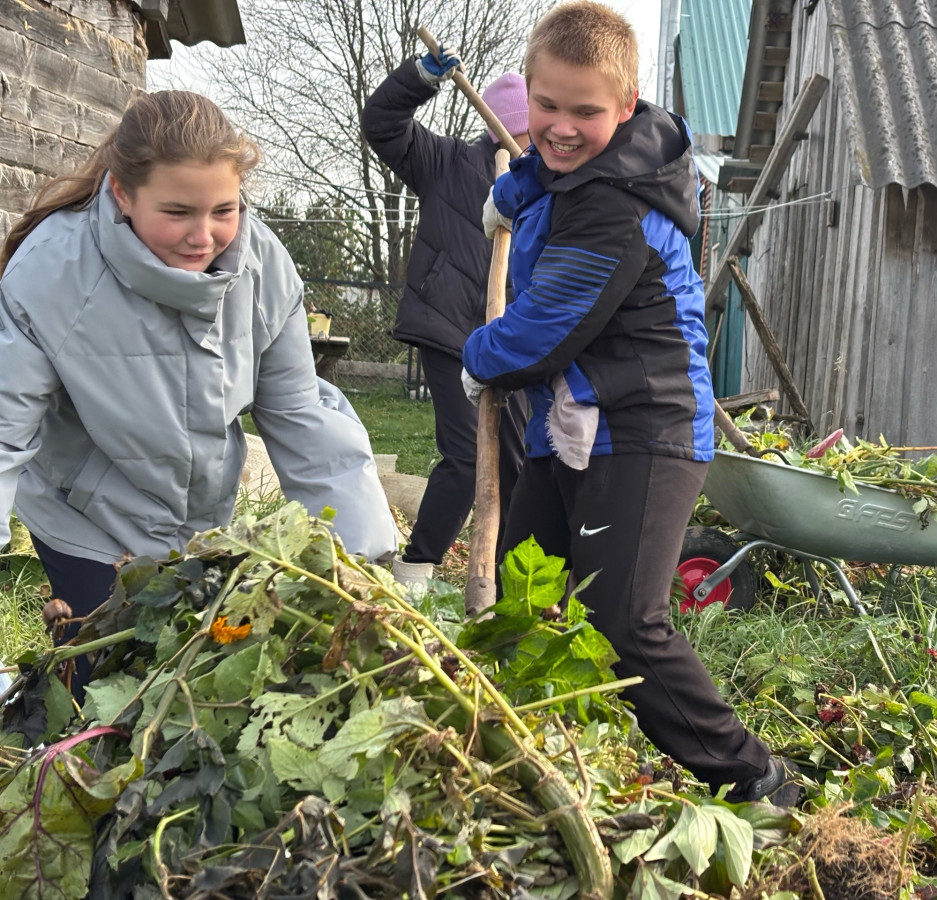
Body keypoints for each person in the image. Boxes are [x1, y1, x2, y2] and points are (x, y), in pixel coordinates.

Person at [460, 1, 798, 804]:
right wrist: (518, 187)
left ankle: (755, 776)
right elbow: (553, 163)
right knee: (525, 591)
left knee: (622, 620)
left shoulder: (616, 206)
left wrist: (481, 359)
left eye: (586, 111)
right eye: (547, 105)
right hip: (575, 418)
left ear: (627, 104)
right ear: (529, 90)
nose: (562, 127)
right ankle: (530, 754)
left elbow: (544, 332)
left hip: (645, 427)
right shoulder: (582, 167)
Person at [0, 90, 398, 698]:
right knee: (99, 695)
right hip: (86, 516)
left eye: (224, 209)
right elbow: (5, 428)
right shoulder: (52, 272)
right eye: (178, 211)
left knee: (184, 691)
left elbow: (300, 414)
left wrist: (363, 565)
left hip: (199, 520)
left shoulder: (263, 267)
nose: (203, 236)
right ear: (122, 194)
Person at [362, 47, 528, 604]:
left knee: (518, 462)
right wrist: (418, 78)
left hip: (512, 345)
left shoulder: (544, 186)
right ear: (501, 127)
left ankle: (507, 587)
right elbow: (382, 125)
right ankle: (416, 571)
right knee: (464, 457)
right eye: (526, 132)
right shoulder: (448, 162)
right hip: (450, 330)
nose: (534, 144)